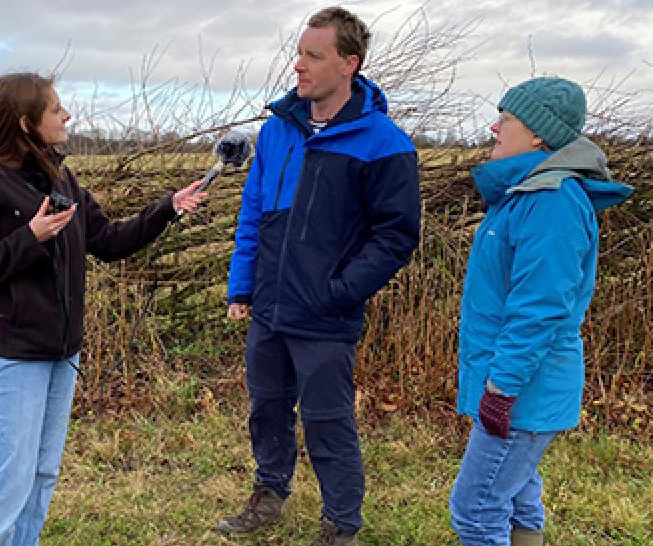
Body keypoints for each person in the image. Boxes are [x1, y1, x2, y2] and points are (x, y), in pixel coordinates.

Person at [0, 72, 206, 546]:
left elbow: (107, 240)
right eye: (56, 109)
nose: (67, 116)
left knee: (41, 476)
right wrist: (29, 238)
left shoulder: (59, 176)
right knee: (5, 482)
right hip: (11, 357)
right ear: (25, 122)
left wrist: (167, 207)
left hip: (61, 353)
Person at [216, 7, 420, 546]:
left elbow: (397, 236)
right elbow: (254, 212)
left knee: (329, 420)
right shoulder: (278, 131)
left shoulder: (383, 141)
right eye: (299, 53)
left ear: (349, 63)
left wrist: (340, 291)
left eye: (314, 55)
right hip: (270, 307)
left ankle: (341, 525)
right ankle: (268, 493)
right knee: (267, 408)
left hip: (326, 313)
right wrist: (242, 285)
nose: (299, 66)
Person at [449, 77, 633, 546]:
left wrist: (502, 388)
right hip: (521, 384)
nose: (494, 127)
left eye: (505, 119)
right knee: (517, 495)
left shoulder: (551, 202)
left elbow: (540, 309)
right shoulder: (530, 194)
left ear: (537, 134)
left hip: (524, 388)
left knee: (477, 509)